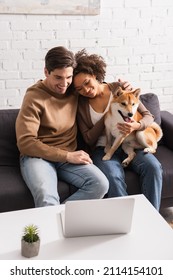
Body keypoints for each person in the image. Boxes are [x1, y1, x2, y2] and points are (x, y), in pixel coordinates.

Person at [15, 46, 109, 208]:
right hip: (38, 157)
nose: (64, 84)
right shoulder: (33, 97)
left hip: (68, 156)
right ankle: (53, 226)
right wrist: (66, 156)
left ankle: (59, 219)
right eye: (58, 78)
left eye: (69, 77)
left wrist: (119, 86)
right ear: (46, 72)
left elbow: (94, 85)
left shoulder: (72, 89)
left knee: (100, 184)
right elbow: (26, 143)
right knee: (47, 197)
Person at [73, 49, 163, 211]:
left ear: (94, 74)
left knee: (154, 168)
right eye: (79, 88)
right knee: (113, 177)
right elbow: (88, 139)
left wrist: (137, 125)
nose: (85, 90)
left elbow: (148, 116)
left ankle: (152, 218)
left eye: (86, 82)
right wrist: (107, 116)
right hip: (103, 149)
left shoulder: (120, 89)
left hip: (132, 142)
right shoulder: (81, 104)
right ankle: (125, 225)